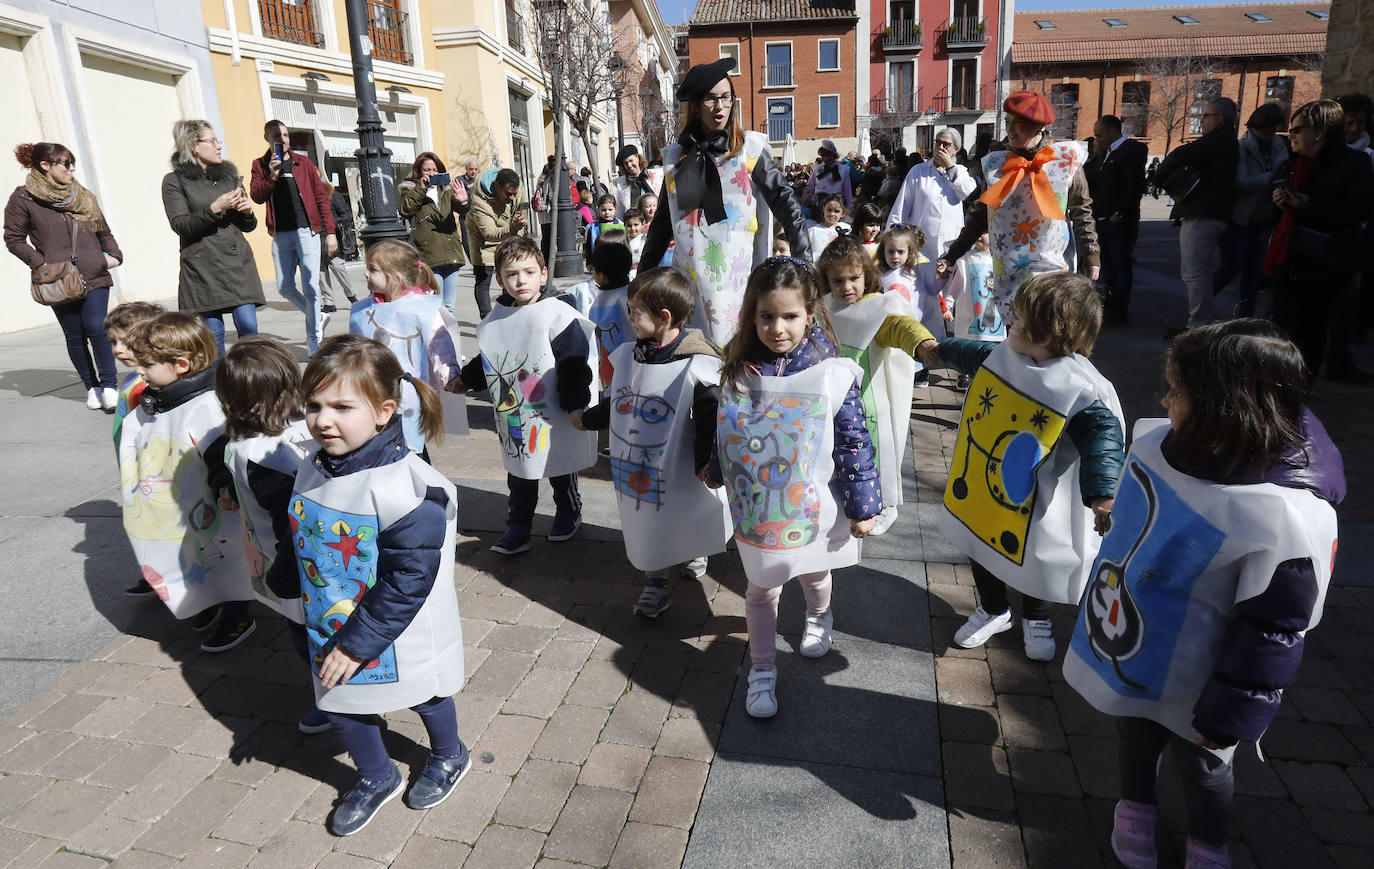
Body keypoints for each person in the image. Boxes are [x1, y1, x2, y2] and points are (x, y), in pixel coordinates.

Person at [1063, 320, 1343, 869]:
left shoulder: (1283, 514)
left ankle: (1208, 844)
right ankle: (1135, 809)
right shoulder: (1162, 444)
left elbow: (1274, 631)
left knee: (1206, 767)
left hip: (1208, 681)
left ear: (1226, 407)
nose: (1164, 398)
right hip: (1140, 652)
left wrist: (1230, 715)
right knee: (1135, 732)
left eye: (1177, 390)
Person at [293, 335, 468, 836]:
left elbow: (409, 579)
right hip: (333, 619)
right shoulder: (313, 463)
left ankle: (450, 754)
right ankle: (376, 775)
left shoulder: (406, 489)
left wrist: (358, 643)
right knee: (339, 697)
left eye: (341, 407)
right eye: (313, 406)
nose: (323, 420)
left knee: (425, 693)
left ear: (384, 412)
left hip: (396, 628)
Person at [703, 256, 881, 718]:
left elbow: (853, 439)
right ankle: (762, 669)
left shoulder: (832, 372)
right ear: (751, 315)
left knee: (814, 572)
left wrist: (864, 505)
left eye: (789, 316)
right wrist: (716, 466)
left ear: (810, 313)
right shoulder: (740, 367)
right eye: (766, 316)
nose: (777, 328)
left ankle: (820, 616)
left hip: (813, 504)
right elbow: (727, 428)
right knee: (761, 588)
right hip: (759, 508)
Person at [927, 272, 1124, 662]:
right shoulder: (1007, 355)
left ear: (1051, 331)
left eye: (1019, 317)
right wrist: (938, 350)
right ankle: (994, 608)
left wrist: (1102, 495)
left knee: (1038, 555)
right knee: (980, 545)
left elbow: (1102, 434)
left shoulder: (1076, 386)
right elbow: (972, 354)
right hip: (987, 491)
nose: (1009, 321)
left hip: (1039, 500)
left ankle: (1037, 615)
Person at [570, 268, 729, 616]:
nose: (629, 318)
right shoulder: (634, 354)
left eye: (634, 311)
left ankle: (694, 549)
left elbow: (708, 415)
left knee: (684, 511)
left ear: (664, 317)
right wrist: (590, 420)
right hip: (640, 465)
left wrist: (705, 460)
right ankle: (655, 584)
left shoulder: (699, 363)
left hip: (682, 462)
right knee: (649, 522)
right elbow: (621, 399)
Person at [639, 57, 809, 345]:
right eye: (711, 98)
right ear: (695, 104)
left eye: (726, 97)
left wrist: (805, 260)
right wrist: (642, 279)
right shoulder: (676, 158)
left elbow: (784, 199)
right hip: (690, 282)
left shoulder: (749, 149)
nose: (720, 106)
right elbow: (663, 224)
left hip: (738, 280)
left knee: (735, 353)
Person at [118, 312, 255, 650]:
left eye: (147, 365)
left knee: (229, 559)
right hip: (178, 506)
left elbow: (222, 451)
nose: (139, 371)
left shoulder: (206, 406)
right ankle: (211, 600)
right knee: (195, 558)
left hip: (212, 506)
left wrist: (226, 487)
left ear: (180, 364)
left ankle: (237, 613)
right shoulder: (157, 401)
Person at [455, 237, 596, 555]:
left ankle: (568, 511)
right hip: (515, 413)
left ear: (543, 274)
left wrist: (576, 406)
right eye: (512, 274)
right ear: (501, 279)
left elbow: (574, 364)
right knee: (519, 471)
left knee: (559, 467)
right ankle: (518, 527)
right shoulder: (497, 319)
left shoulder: (558, 315)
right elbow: (490, 357)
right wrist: (466, 379)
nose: (521, 281)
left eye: (529, 272)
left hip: (555, 411)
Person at [939, 92, 1100, 318]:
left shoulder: (1065, 161)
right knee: (1018, 335)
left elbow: (1082, 210)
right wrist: (952, 254)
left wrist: (1091, 253)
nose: (1011, 130)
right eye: (1008, 123)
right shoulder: (996, 164)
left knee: (1048, 330)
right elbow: (980, 215)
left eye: (1019, 124)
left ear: (1039, 127)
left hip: (1052, 267)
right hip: (1009, 271)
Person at [819, 237, 937, 537]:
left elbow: (899, 327)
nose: (847, 286)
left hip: (869, 398)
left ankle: (885, 505)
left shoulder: (877, 309)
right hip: (836, 399)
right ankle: (851, 499)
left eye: (854, 278)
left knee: (877, 452)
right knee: (843, 451)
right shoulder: (825, 307)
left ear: (867, 275)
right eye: (838, 280)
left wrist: (923, 344)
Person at [6, 141, 123, 410]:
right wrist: (41, 264)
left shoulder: (82, 196)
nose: (72, 169)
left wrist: (113, 256)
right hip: (58, 279)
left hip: (94, 271)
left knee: (96, 326)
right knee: (75, 334)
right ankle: (91, 387)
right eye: (66, 164)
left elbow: (103, 231)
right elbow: (13, 239)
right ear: (45, 166)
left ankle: (109, 386)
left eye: (72, 164)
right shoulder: (23, 198)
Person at [1266, 99, 1374, 382]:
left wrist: (1307, 203)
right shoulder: (1291, 163)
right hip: (1288, 261)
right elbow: (1267, 209)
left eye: (1297, 130)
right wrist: (1278, 202)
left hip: (1325, 265)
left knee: (1310, 335)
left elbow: (1358, 210)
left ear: (1319, 132)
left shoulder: (1355, 163)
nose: (1291, 135)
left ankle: (1299, 391)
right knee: (1279, 331)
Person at [349, 239, 464, 457]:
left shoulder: (421, 309)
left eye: (372, 269)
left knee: (411, 448)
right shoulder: (362, 311)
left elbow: (439, 345)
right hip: (371, 393)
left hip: (408, 395)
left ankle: (422, 487)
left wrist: (450, 376)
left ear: (395, 276)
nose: (365, 274)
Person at [161, 121, 264, 357]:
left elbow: (247, 226)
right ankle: (219, 389)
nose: (219, 146)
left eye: (218, 141)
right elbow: (181, 224)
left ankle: (254, 384)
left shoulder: (229, 177)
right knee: (213, 341)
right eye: (213, 141)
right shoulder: (174, 181)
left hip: (238, 266)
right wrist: (216, 207)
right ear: (194, 146)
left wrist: (247, 212)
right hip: (203, 269)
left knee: (250, 333)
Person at [1150, 98, 1239, 332]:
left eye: (1206, 116)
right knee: (1203, 272)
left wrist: (1156, 181)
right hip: (1216, 213)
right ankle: (1202, 322)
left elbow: (1180, 154)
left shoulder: (1217, 140)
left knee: (1195, 273)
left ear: (1219, 119)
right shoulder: (1228, 141)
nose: (1202, 121)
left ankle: (1198, 326)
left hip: (1203, 215)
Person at [250, 120, 337, 353]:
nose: (284, 140)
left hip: (307, 231)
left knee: (311, 286)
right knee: (284, 286)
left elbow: (321, 198)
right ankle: (317, 316)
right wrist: (272, 176)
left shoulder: (304, 162)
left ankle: (313, 340)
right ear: (268, 139)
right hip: (281, 234)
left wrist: (330, 232)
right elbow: (257, 196)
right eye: (278, 137)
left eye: (286, 135)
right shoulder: (260, 165)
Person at [1213, 103, 1288, 320]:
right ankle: (1201, 304)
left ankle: (1245, 318)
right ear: (1254, 125)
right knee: (1232, 267)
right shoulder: (1241, 147)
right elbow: (1241, 183)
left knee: (1255, 272)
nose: (1268, 133)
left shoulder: (1279, 146)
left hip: (1265, 217)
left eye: (1273, 128)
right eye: (1264, 128)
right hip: (1240, 217)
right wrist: (1272, 178)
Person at [886, 127, 977, 298]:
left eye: (946, 144)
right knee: (922, 296)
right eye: (938, 143)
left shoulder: (960, 172)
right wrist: (891, 238)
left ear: (955, 149)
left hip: (950, 247)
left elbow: (967, 192)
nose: (940, 147)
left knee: (948, 301)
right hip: (922, 248)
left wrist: (950, 167)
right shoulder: (918, 171)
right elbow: (901, 207)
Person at [1084, 115, 1148, 326]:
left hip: (1118, 222)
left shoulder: (1131, 151)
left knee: (1120, 265)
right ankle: (1109, 308)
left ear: (1113, 131)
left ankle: (1119, 310)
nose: (1097, 139)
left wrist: (1119, 212)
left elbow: (1134, 185)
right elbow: (1089, 179)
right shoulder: (1103, 155)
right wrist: (1095, 154)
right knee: (1108, 268)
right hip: (1100, 219)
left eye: (1099, 135)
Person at [398, 152, 470, 315]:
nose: (431, 173)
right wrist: (420, 189)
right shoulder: (410, 189)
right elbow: (406, 210)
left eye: (435, 170)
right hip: (429, 256)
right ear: (419, 172)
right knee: (436, 305)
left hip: (451, 253)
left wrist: (464, 200)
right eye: (427, 170)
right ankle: (437, 338)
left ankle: (449, 339)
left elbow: (462, 209)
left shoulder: (446, 190)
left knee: (449, 307)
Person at [466, 168, 529, 321]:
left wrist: (522, 217)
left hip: (509, 235)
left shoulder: (516, 184)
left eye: (514, 193)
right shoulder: (479, 200)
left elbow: (524, 203)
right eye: (508, 194)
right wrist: (513, 227)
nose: (512, 197)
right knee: (483, 280)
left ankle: (508, 316)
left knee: (510, 277)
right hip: (483, 241)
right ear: (497, 186)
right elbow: (490, 233)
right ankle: (487, 321)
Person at [104, 301, 165, 458]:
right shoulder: (132, 378)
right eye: (113, 341)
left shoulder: (149, 385)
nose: (117, 349)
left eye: (125, 342)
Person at [585, 235, 634, 388]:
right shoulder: (632, 293)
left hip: (612, 358)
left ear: (603, 276)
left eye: (594, 271)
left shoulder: (605, 299)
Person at [318, 172, 360, 314]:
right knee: (320, 271)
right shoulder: (304, 197)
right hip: (314, 239)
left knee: (338, 267)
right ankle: (328, 302)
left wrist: (333, 224)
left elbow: (347, 215)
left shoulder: (331, 193)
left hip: (332, 237)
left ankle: (352, 296)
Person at [613, 144, 663, 219]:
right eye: (626, 163)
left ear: (638, 158)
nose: (629, 165)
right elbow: (620, 210)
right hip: (635, 225)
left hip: (658, 220)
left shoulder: (656, 175)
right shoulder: (621, 183)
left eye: (631, 160)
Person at [804, 140, 853, 210]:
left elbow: (847, 191)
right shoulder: (817, 169)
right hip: (819, 205)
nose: (825, 158)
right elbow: (810, 186)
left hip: (836, 204)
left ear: (833, 155)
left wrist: (848, 208)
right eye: (823, 156)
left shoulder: (843, 170)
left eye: (827, 156)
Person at [804, 194, 849, 264]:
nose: (832, 214)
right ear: (823, 209)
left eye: (836, 211)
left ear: (842, 213)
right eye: (829, 210)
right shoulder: (813, 231)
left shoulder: (846, 229)